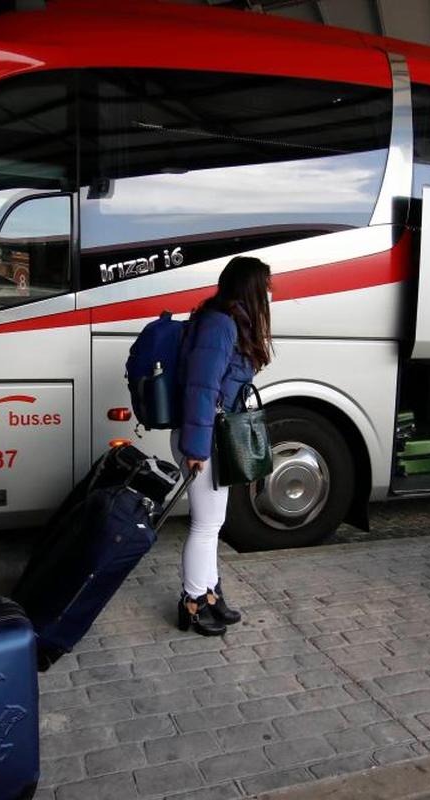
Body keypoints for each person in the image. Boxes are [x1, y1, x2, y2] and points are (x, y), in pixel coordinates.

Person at [172, 256, 273, 636]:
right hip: (203, 440)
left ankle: (211, 595)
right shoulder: (220, 324)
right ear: (249, 286)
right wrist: (196, 450)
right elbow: (202, 388)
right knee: (205, 524)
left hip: (211, 436)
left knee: (213, 523)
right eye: (266, 285)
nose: (269, 293)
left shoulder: (230, 320)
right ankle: (193, 603)